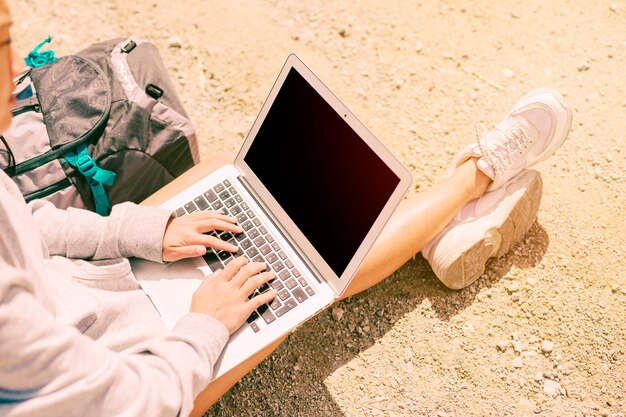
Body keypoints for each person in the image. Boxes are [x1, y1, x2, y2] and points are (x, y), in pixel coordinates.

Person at [0, 2, 572, 416]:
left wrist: (149, 231)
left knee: (226, 176)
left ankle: (422, 230)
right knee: (314, 269)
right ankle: (474, 180)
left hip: (95, 288)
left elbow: (28, 223)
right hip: (134, 358)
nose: (17, 69)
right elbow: (131, 404)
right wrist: (206, 323)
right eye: (6, 44)